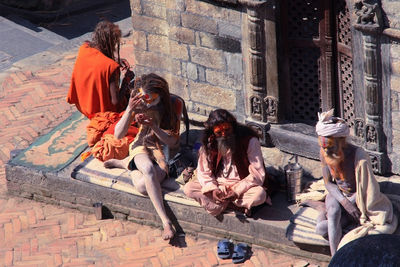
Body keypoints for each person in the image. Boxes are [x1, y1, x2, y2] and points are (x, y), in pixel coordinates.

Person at [104, 73, 180, 240]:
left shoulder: (173, 107)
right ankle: (166, 222)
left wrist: (154, 126)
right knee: (147, 170)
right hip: (141, 145)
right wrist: (130, 109)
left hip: (162, 149)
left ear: (160, 95)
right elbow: (118, 134)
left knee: (142, 186)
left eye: (151, 98)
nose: (147, 103)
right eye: (144, 97)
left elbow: (173, 142)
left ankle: (126, 165)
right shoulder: (138, 104)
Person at [315, 109, 397, 256]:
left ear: (341, 142)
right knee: (331, 214)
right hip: (338, 195)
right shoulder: (324, 152)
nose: (326, 152)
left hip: (358, 196)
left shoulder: (358, 155)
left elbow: (366, 188)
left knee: (324, 228)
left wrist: (351, 202)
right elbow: (328, 184)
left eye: (330, 147)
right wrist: (344, 202)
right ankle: (336, 258)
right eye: (324, 148)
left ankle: (339, 226)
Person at [184, 109, 269, 217]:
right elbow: (203, 172)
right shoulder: (209, 143)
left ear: (233, 127)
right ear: (213, 133)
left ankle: (221, 204)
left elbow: (257, 173)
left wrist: (236, 191)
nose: (224, 135)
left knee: (259, 195)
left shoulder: (250, 141)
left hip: (242, 186)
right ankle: (236, 206)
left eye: (227, 130)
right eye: (219, 133)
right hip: (219, 185)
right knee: (189, 188)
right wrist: (213, 189)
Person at [67, 20, 130, 119]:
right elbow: (115, 101)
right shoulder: (111, 67)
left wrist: (116, 60)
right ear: (111, 42)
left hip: (83, 106)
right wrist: (127, 80)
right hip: (103, 113)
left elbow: (98, 61)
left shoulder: (84, 48)